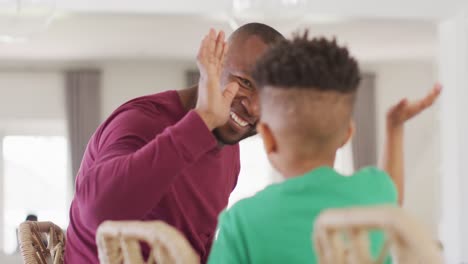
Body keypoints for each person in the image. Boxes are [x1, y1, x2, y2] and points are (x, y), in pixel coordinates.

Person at [207, 32, 441, 263]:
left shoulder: (241, 221)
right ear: (347, 134)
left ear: (267, 137)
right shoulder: (376, 193)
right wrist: (395, 127)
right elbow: (392, 198)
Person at [65, 23, 285, 263]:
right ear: (214, 67)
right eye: (245, 82)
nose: (254, 108)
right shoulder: (141, 121)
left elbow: (196, 245)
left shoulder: (231, 154)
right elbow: (97, 213)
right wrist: (202, 120)